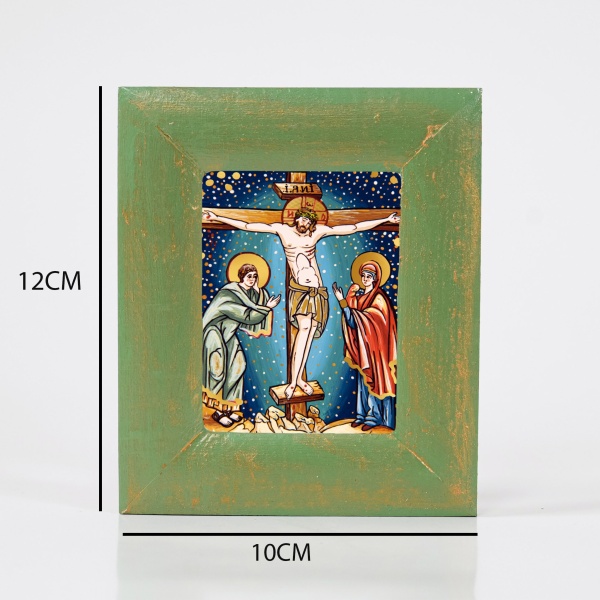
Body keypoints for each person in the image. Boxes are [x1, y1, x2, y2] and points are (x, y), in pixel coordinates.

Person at [202, 207, 399, 400]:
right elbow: (248, 225)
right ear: (296, 218)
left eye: (309, 221)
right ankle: (292, 383)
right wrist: (217, 216)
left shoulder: (316, 233)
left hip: (318, 293)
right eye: (303, 219)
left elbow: (353, 227)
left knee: (310, 335)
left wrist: (385, 220)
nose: (305, 223)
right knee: (303, 332)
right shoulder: (283, 230)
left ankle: (300, 380)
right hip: (301, 292)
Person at [202, 263, 280, 426]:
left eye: (255, 276)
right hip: (213, 333)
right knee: (217, 369)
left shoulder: (249, 294)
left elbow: (254, 307)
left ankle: (229, 408)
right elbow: (247, 315)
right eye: (249, 276)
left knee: (238, 365)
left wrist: (258, 293)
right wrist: (267, 307)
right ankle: (217, 410)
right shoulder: (228, 294)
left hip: (228, 334)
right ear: (241, 276)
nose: (252, 279)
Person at [332, 260, 397, 431]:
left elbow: (374, 320)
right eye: (363, 275)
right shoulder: (359, 298)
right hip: (364, 349)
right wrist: (344, 299)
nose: (365, 278)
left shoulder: (379, 298)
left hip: (377, 350)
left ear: (376, 278)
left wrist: (355, 311)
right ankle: (362, 415)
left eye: (369, 276)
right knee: (363, 381)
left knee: (375, 380)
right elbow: (352, 321)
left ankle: (374, 416)